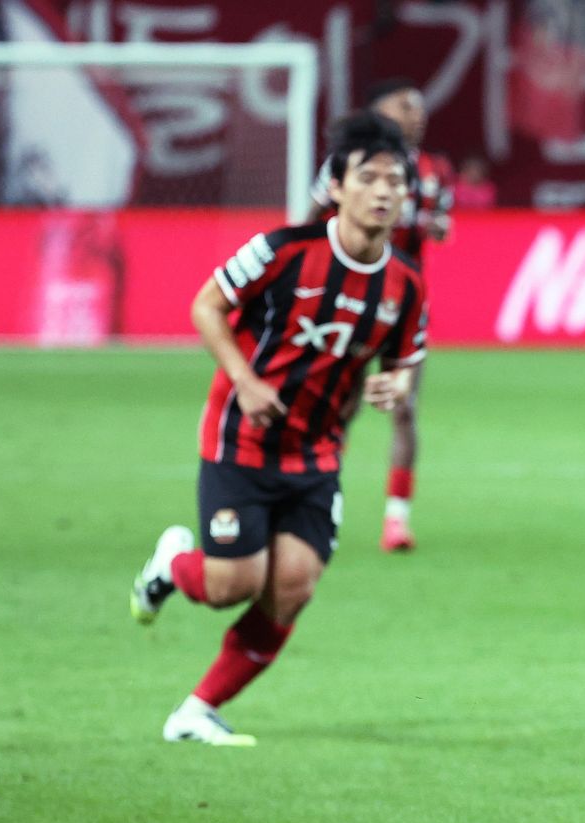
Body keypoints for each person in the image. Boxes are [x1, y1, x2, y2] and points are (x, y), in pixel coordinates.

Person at [130, 111, 430, 746]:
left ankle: (196, 711)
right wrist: (243, 378)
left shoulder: (405, 283)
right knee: (230, 585)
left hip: (317, 451)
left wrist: (396, 385)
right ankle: (171, 566)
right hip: (242, 439)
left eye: (395, 181)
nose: (383, 192)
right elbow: (206, 305)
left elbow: (405, 360)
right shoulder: (283, 251)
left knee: (292, 587)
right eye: (368, 178)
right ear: (337, 186)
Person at [311, 78, 455, 552]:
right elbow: (311, 220)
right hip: (348, 301)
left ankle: (397, 520)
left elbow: (437, 222)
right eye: (404, 105)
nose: (416, 114)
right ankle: (322, 499)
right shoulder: (347, 167)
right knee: (341, 405)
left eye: (419, 106)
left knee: (405, 406)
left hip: (404, 304)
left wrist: (435, 226)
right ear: (377, 112)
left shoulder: (434, 171)